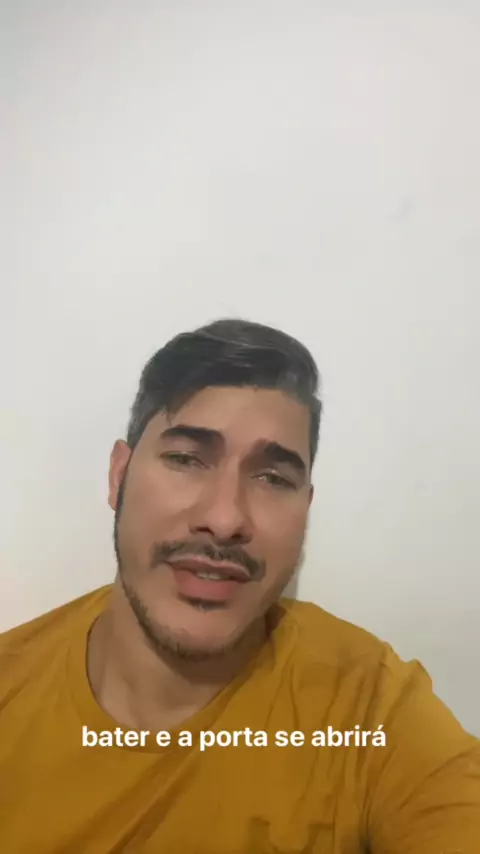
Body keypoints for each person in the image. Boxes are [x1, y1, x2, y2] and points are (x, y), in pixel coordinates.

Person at [0, 318, 478, 853]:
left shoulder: (368, 708)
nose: (225, 519)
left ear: (306, 509)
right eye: (186, 459)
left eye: (273, 478)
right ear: (119, 476)